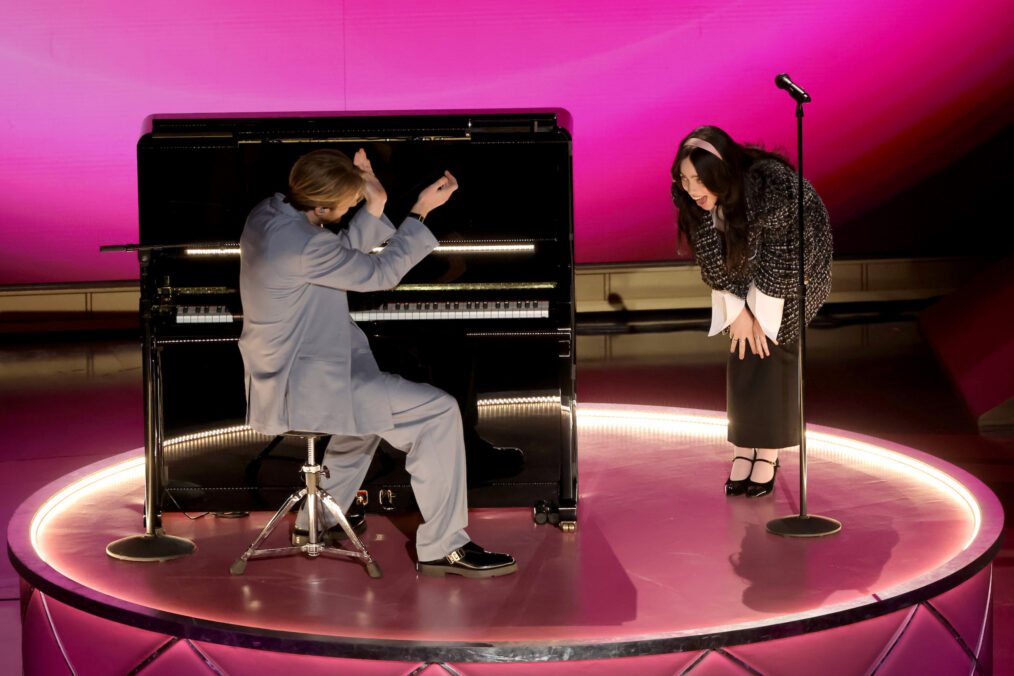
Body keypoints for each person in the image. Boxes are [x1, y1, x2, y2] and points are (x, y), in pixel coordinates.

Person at [238, 148, 517, 577]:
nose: (352, 209)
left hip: (288, 370)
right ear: (324, 205)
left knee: (365, 422)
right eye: (349, 204)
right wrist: (420, 212)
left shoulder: (271, 213)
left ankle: (319, 520)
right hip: (309, 380)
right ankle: (444, 546)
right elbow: (378, 273)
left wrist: (376, 205)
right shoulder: (306, 246)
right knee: (440, 412)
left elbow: (335, 256)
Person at [670, 125, 831, 497]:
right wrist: (737, 311)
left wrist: (759, 316)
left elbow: (784, 262)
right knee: (740, 343)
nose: (692, 189)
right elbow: (709, 254)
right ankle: (745, 446)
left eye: (699, 179)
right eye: (684, 178)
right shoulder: (692, 197)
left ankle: (769, 452)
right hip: (741, 261)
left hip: (795, 270)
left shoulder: (776, 194)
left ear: (722, 172)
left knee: (772, 344)